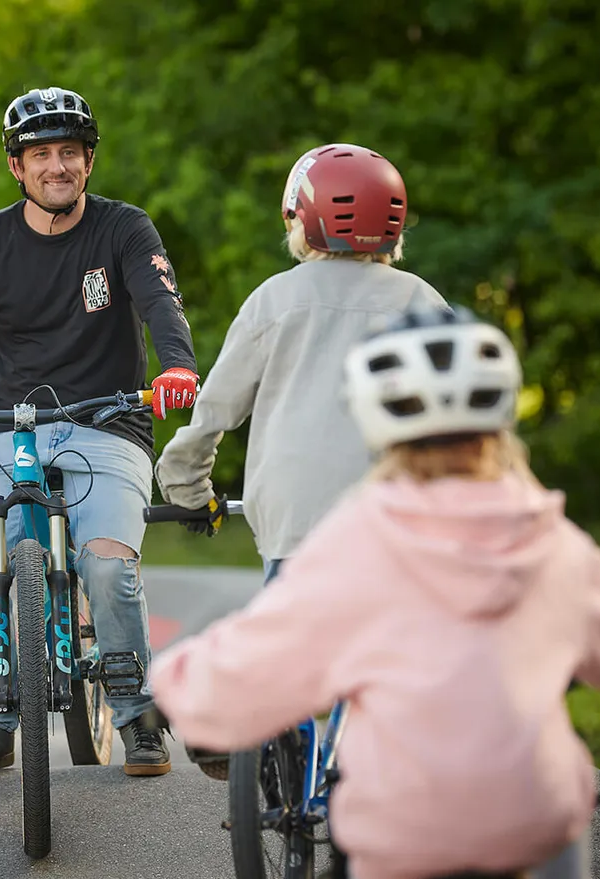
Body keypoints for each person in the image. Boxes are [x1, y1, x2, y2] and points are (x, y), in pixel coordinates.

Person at [148, 306, 600, 879]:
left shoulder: (359, 540)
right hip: (535, 818)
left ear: (376, 423)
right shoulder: (547, 537)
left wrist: (176, 687)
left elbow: (260, 656)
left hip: (404, 832)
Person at [0, 86, 200, 779]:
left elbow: (160, 305)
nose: (56, 166)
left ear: (89, 160)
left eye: (69, 152)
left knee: (106, 564)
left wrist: (177, 366)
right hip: (10, 434)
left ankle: (135, 715)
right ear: (17, 167)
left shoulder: (125, 230)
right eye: (41, 155)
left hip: (109, 425)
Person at [154, 142, 449, 579]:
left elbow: (214, 413)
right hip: (398, 526)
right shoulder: (423, 302)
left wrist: (188, 490)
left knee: (295, 646)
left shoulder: (275, 300)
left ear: (301, 219)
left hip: (298, 527)